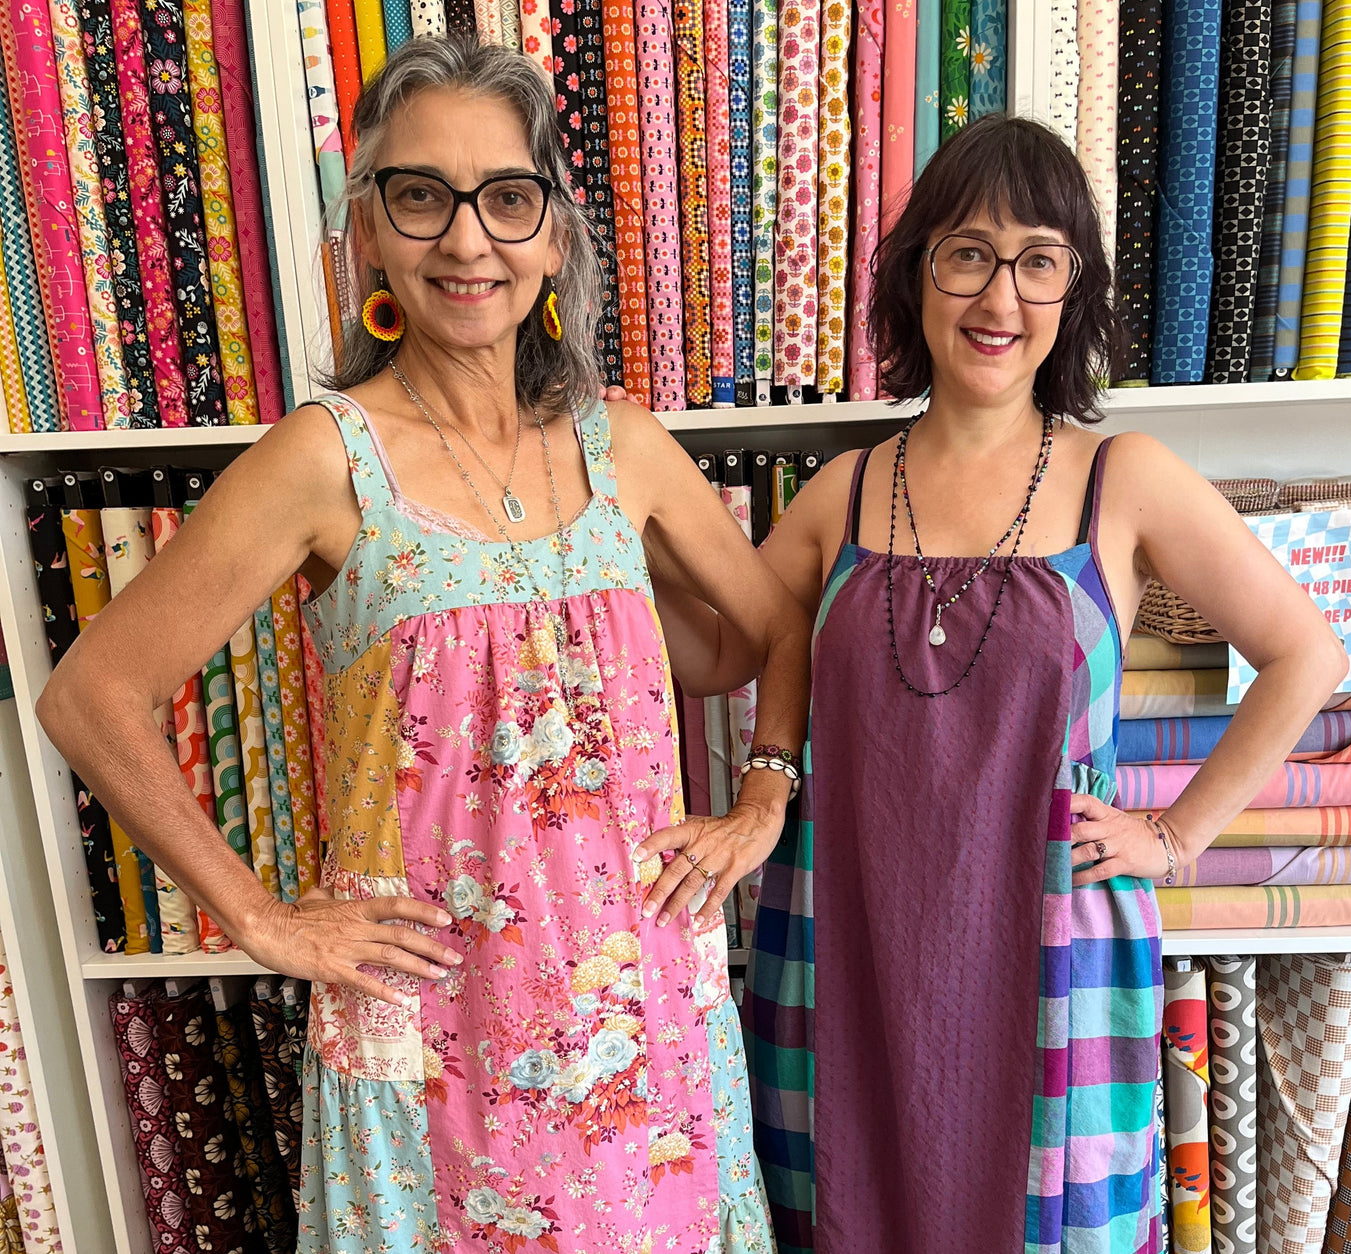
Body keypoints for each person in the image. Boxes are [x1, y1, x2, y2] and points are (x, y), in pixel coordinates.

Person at [39, 37, 807, 1254]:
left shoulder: (624, 446)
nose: (466, 241)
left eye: (506, 199)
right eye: (420, 196)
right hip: (435, 1038)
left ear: (554, 234)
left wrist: (763, 793)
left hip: (643, 1020)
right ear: (368, 234)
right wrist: (257, 914)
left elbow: (768, 630)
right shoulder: (323, 459)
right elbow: (92, 696)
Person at [658, 116, 1346, 1253]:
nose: (998, 295)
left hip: (1046, 937)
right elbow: (718, 656)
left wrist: (1176, 837)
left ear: (1071, 290)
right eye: (966, 253)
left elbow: (1303, 654)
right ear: (917, 272)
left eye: (1038, 260)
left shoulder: (1121, 478)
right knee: (841, 1210)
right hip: (847, 933)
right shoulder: (841, 491)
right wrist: (612, 542)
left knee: (1050, 1221)